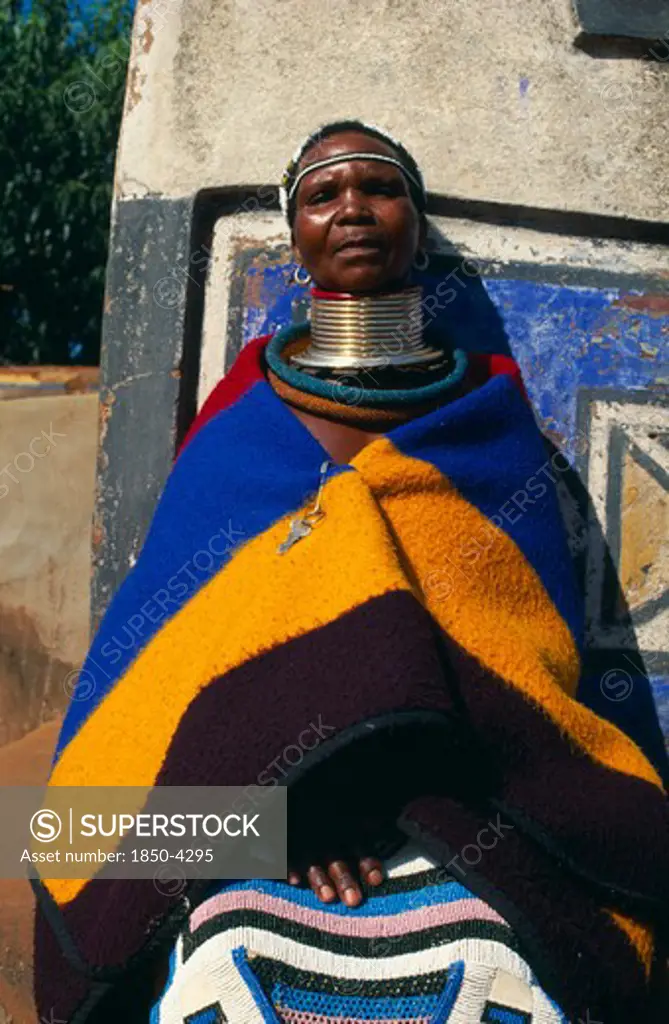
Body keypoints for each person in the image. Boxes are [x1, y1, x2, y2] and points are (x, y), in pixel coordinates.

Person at [33, 120, 668, 1024]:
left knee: (508, 955)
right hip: (257, 829)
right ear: (294, 236)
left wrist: (403, 802)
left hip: (466, 810)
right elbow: (167, 682)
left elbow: (523, 667)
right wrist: (278, 818)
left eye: (379, 188)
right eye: (322, 195)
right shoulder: (236, 432)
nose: (352, 209)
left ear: (414, 219)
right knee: (184, 918)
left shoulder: (489, 425)